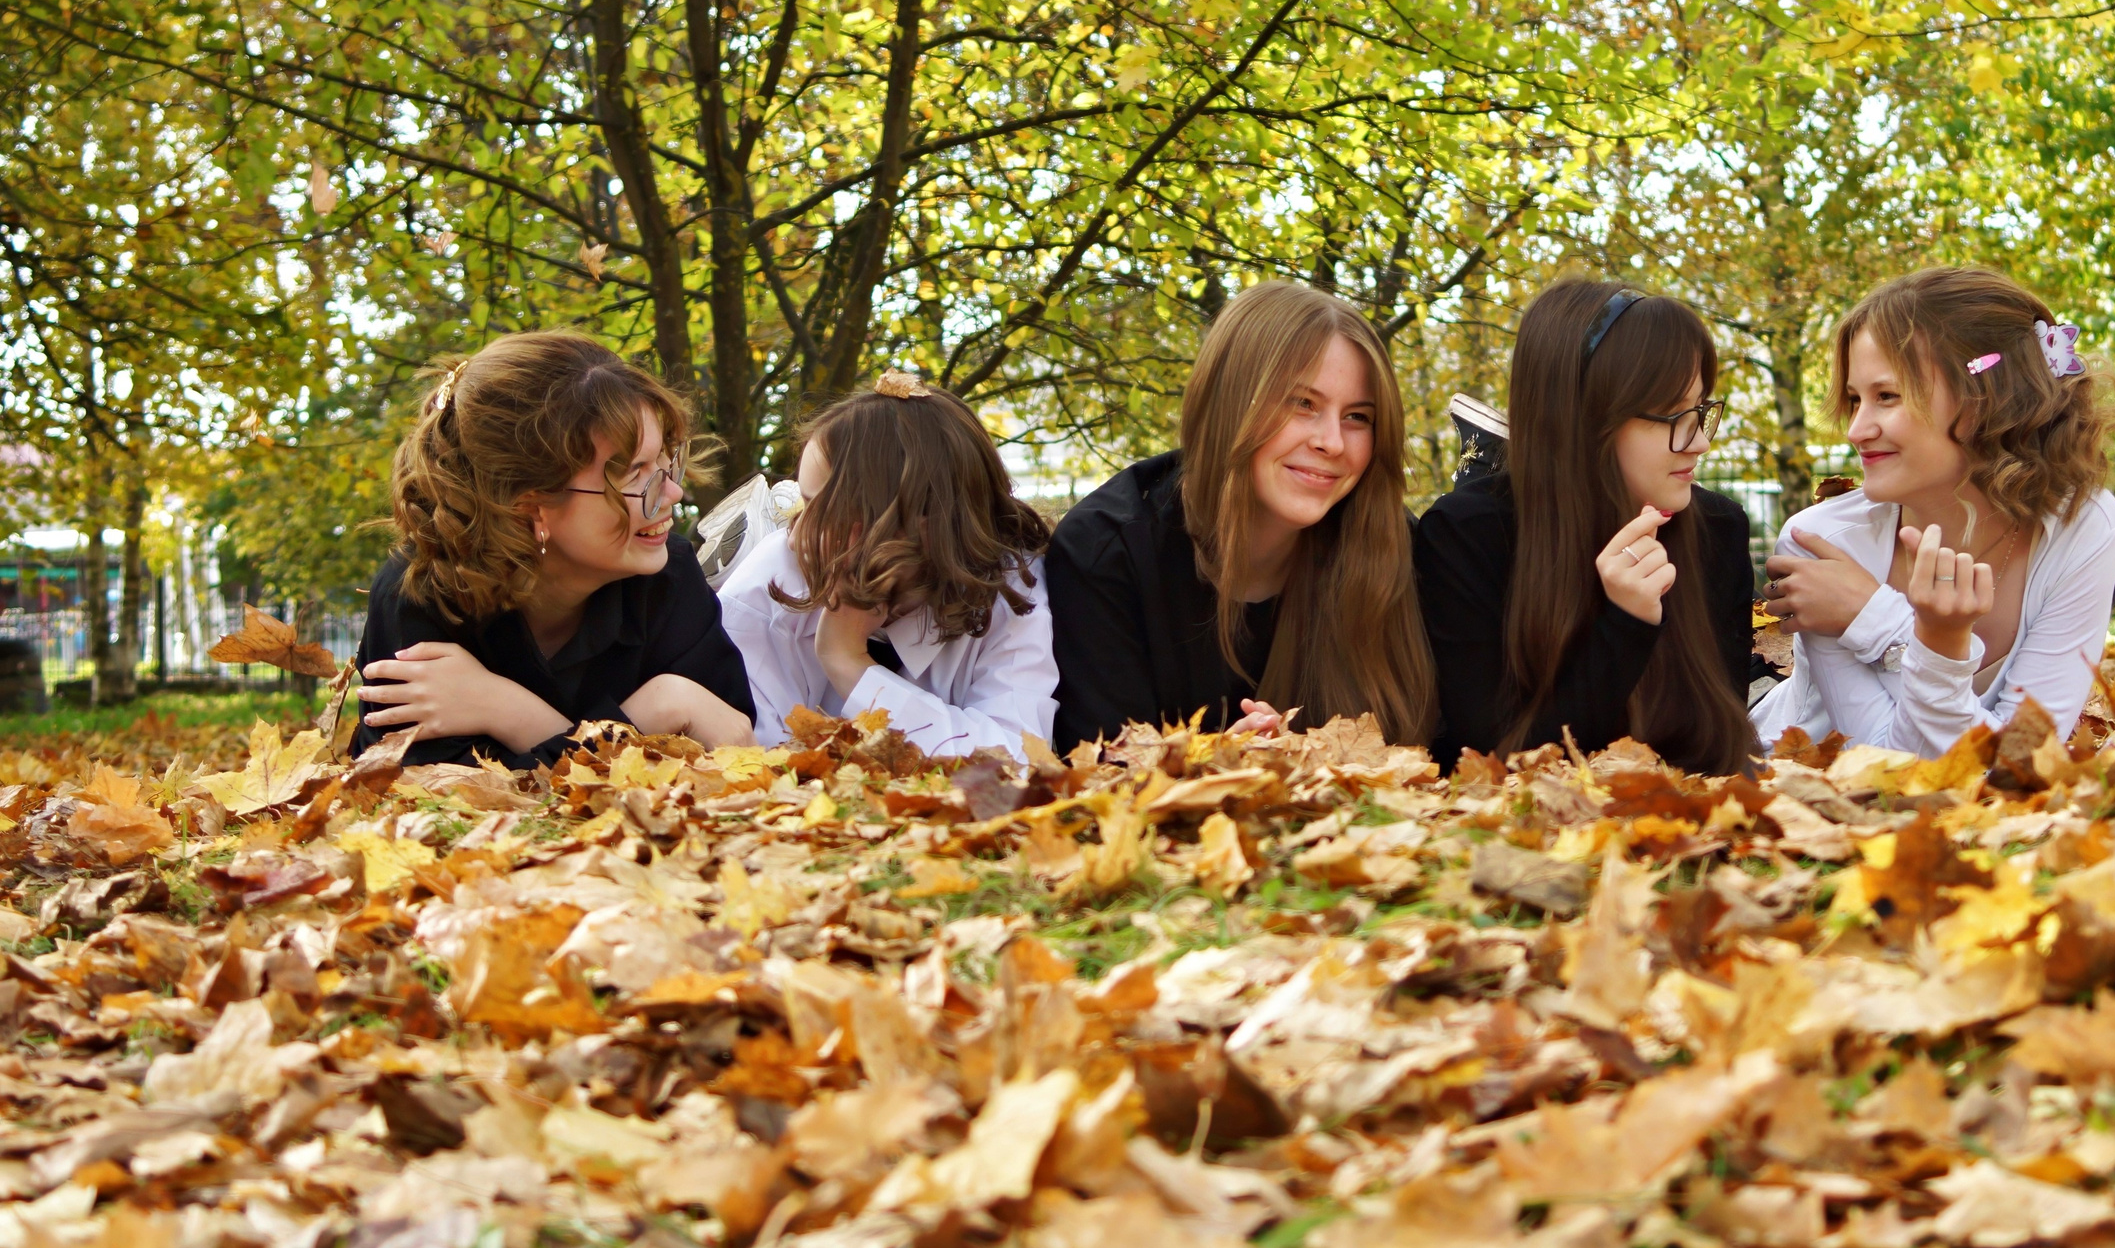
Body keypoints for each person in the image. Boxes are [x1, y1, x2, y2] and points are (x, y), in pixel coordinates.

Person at [1047, 280, 1435, 747]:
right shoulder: (1105, 553)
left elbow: (1431, 763)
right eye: (1302, 403)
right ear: (1229, 402)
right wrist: (1219, 767)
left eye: (1357, 417)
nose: (1332, 441)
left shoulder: (1395, 547)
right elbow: (1098, 776)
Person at [1755, 266, 2115, 756]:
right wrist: (1930, 642)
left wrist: (1878, 621)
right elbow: (1890, 768)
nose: (1856, 429)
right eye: (1854, 399)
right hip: (1797, 797)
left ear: (1984, 400)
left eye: (1887, 396)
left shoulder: (2082, 525)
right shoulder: (1823, 544)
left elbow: (2024, 760)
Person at [354, 331, 755, 768]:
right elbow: (435, 796)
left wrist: (505, 709)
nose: (674, 493)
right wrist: (652, 719)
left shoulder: (666, 575)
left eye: (665, 461)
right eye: (637, 475)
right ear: (532, 506)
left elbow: (733, 748)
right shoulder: (420, 593)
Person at [1414, 280, 1762, 773]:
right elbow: (1493, 768)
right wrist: (1624, 625)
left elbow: (1720, 752)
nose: (1699, 443)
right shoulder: (1470, 534)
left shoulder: (1715, 530)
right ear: (1580, 418)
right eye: (1670, 415)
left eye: (1701, 410)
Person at [717, 372, 1056, 757]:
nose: (796, 535)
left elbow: (1019, 759)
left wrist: (849, 664)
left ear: (918, 525)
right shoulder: (772, 579)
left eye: (823, 511)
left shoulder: (1011, 590)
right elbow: (751, 767)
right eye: (802, 501)